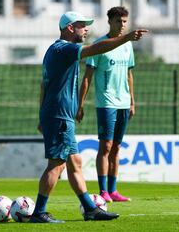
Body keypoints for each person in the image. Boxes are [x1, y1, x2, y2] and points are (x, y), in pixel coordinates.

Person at [30, 11, 147, 223]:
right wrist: (127, 38)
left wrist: (42, 116)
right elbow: (96, 49)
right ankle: (39, 212)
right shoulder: (64, 49)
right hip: (60, 115)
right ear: (69, 28)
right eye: (82, 25)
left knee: (75, 162)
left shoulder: (53, 50)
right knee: (56, 164)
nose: (86, 29)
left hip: (58, 115)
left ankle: (90, 209)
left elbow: (43, 85)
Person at [76, 6, 134, 203]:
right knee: (106, 146)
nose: (122, 25)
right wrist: (80, 104)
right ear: (110, 22)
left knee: (117, 147)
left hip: (123, 103)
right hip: (106, 102)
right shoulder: (99, 45)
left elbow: (129, 74)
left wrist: (132, 101)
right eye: (118, 21)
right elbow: (87, 77)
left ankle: (114, 190)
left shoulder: (128, 45)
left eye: (125, 22)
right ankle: (103, 192)